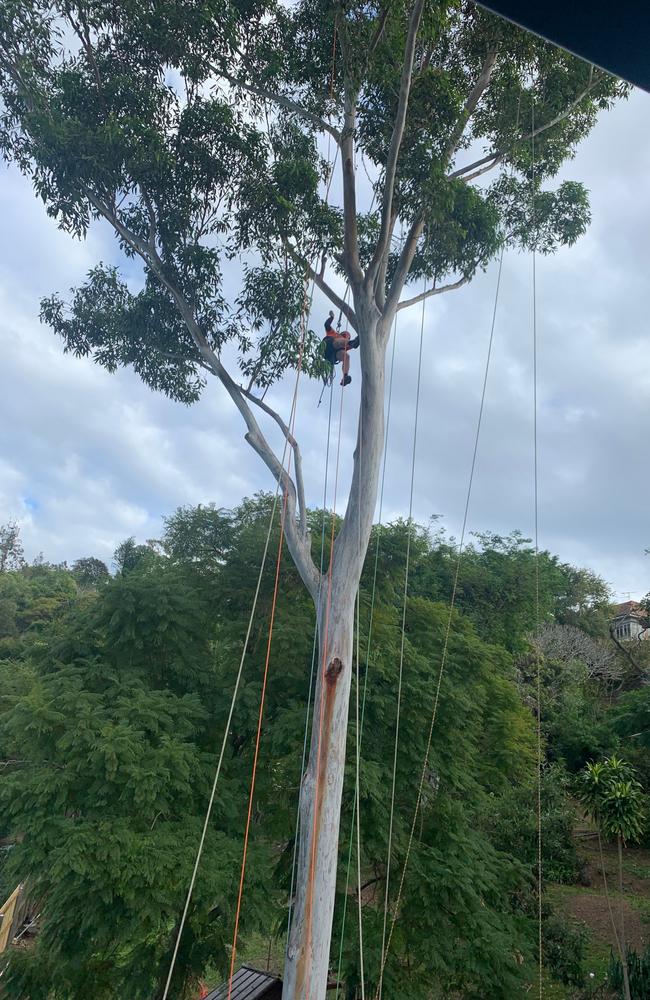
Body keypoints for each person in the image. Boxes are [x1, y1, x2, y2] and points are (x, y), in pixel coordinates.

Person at [323, 310, 359, 385]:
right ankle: (351, 342)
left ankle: (345, 376)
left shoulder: (348, 347)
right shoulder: (334, 333)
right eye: (346, 337)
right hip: (327, 346)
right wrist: (331, 317)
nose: (346, 337)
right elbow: (326, 325)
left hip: (331, 356)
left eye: (348, 338)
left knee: (346, 356)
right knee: (339, 343)